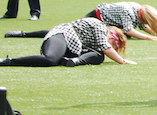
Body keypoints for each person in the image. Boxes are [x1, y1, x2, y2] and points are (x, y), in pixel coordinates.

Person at [6, 2, 157, 41]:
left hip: (105, 21)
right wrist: (151, 38)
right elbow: (130, 30)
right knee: (66, 32)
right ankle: (23, 34)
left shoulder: (138, 12)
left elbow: (144, 27)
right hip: (96, 18)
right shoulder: (128, 11)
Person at [0, 17, 134, 67]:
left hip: (73, 47)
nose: (113, 47)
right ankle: (9, 61)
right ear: (112, 34)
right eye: (115, 44)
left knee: (99, 56)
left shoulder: (95, 42)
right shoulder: (99, 26)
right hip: (63, 36)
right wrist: (122, 61)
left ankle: (74, 61)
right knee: (50, 59)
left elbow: (103, 50)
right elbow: (105, 47)